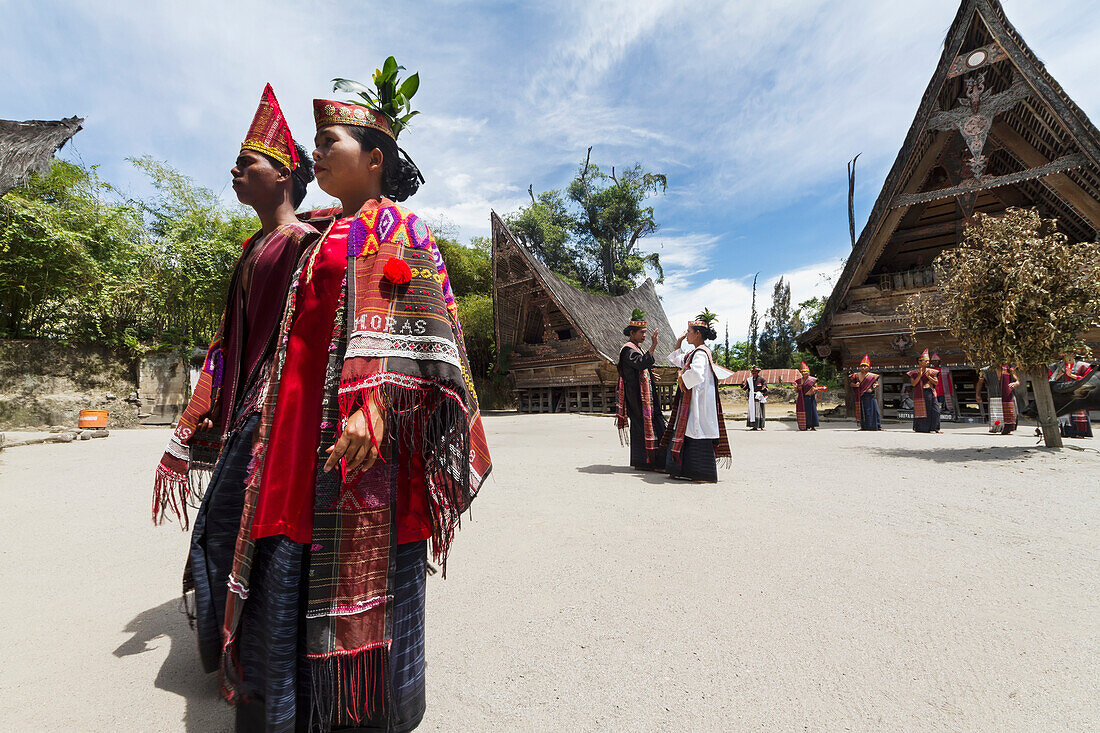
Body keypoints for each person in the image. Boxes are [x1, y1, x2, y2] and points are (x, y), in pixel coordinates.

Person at [218, 66, 492, 733]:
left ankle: (362, 712)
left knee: (357, 556)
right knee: (287, 547)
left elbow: (427, 327)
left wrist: (379, 403)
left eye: (329, 140)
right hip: (291, 433)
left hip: (362, 431)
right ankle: (285, 705)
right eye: (313, 142)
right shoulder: (312, 237)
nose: (317, 151)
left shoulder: (403, 230)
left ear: (374, 159)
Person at [151, 85, 320, 674]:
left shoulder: (304, 245)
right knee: (228, 524)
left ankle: (262, 659)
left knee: (241, 524)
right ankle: (246, 653)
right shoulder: (253, 250)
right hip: (248, 409)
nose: (235, 169)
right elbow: (228, 346)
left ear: (285, 176)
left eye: (248, 162)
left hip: (279, 411)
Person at [661, 311, 731, 482]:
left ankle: (702, 474)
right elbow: (679, 361)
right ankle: (684, 470)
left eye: (689, 332)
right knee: (690, 432)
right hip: (694, 401)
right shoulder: (696, 352)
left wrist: (681, 377)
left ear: (698, 333)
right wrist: (678, 342)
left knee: (697, 431)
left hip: (698, 402)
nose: (687, 336)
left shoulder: (700, 353)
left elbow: (696, 374)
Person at [616, 308, 666, 470]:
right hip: (637, 398)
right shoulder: (628, 349)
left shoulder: (636, 348)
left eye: (646, 333)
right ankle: (648, 462)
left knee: (649, 425)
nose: (645, 335)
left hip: (641, 397)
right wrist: (653, 346)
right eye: (642, 333)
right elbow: (639, 363)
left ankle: (648, 462)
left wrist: (651, 376)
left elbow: (640, 368)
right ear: (632, 333)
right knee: (646, 426)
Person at [1052, 354, 1093, 438]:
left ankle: (1079, 432)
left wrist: (1072, 375)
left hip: (1077, 392)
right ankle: (1064, 431)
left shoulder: (1083, 365)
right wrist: (1058, 375)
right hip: (1061, 392)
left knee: (1077, 411)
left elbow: (1089, 379)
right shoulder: (1055, 366)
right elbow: (1050, 379)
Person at [908, 349, 941, 433]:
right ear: (919, 362)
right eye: (925, 361)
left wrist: (929, 376)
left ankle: (934, 428)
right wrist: (920, 375)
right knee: (922, 410)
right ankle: (922, 428)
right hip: (920, 393)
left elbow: (936, 382)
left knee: (935, 410)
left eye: (928, 361)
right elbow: (914, 384)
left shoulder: (932, 371)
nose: (927, 362)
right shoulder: (913, 373)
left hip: (930, 392)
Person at [848, 354, 881, 431]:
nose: (863, 368)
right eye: (861, 366)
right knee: (863, 411)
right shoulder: (856, 375)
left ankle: (876, 426)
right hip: (862, 395)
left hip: (870, 394)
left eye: (865, 366)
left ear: (868, 367)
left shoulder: (872, 376)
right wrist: (855, 385)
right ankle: (864, 426)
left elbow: (876, 383)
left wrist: (875, 385)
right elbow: (851, 383)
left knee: (874, 410)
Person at [794, 361, 825, 431]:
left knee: (812, 411)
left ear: (809, 372)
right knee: (804, 412)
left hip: (811, 397)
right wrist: (796, 387)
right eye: (803, 372)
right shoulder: (798, 381)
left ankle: (813, 426)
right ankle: (805, 426)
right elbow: (796, 391)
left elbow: (816, 388)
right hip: (802, 398)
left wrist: (814, 389)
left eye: (806, 372)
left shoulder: (813, 380)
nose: (804, 373)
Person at [976, 364, 1004, 433]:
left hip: (1005, 395)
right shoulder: (984, 370)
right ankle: (995, 426)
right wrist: (977, 394)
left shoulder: (1006, 369)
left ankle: (1005, 427)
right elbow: (980, 382)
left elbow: (1015, 379)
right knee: (994, 412)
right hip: (993, 394)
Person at [741, 365, 768, 430]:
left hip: (759, 397)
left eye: (755, 372)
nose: (753, 373)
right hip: (752, 398)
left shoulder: (762, 379)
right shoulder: (749, 380)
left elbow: (765, 387)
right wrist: (742, 385)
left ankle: (761, 426)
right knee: (752, 411)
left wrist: (762, 390)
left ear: (758, 372)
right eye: (752, 372)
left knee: (760, 411)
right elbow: (745, 388)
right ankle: (754, 426)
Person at [931, 352, 956, 419]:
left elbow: (949, 382)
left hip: (942, 390)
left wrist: (950, 391)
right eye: (933, 361)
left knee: (942, 403)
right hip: (934, 389)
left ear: (939, 362)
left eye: (936, 361)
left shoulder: (944, 370)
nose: (935, 362)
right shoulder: (929, 370)